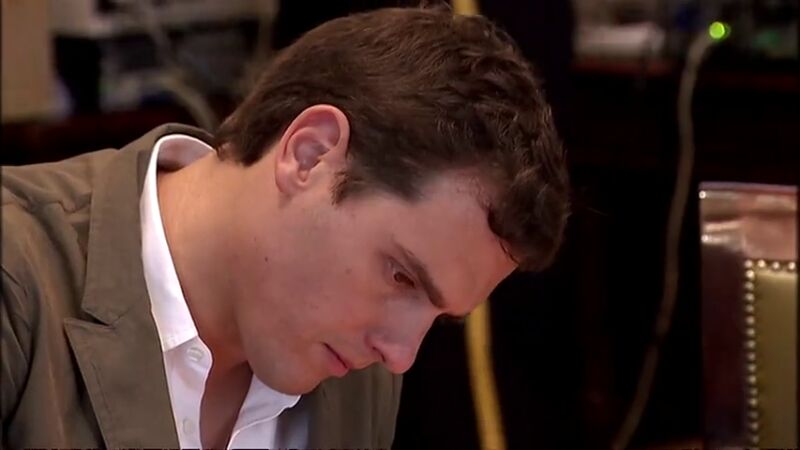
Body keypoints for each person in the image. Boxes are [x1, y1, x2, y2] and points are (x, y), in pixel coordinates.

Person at [0, 6, 569, 449]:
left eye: (439, 318)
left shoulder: (354, 374)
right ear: (309, 155)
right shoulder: (17, 280)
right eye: (401, 276)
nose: (400, 355)